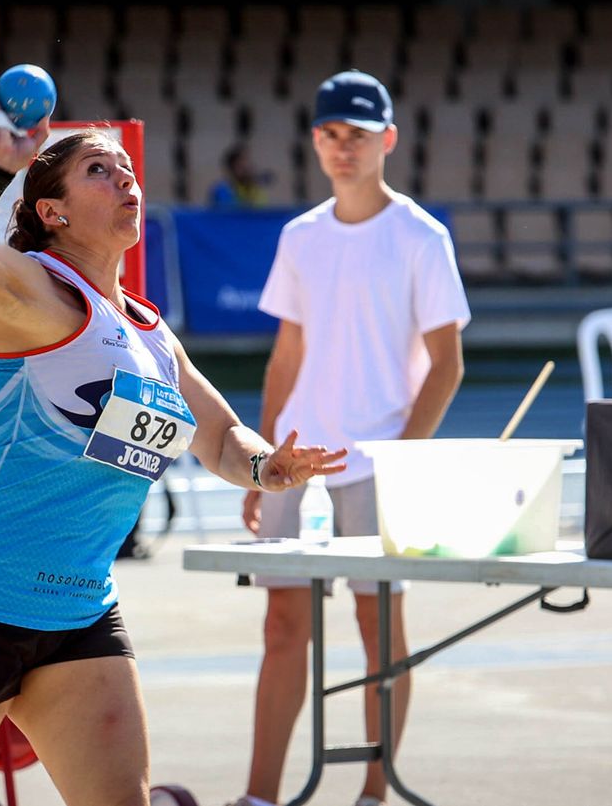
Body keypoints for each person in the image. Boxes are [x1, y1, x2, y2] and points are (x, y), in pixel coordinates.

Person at [0, 83, 346, 806]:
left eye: (127, 166)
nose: (126, 176)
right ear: (52, 210)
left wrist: (266, 466)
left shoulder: (151, 333)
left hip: (77, 611)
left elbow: (219, 437)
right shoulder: (28, 287)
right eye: (99, 169)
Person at [229, 70, 470, 806]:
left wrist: (403, 459)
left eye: (357, 134)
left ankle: (374, 791)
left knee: (377, 625)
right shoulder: (301, 235)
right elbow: (286, 355)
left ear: (387, 139)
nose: (343, 147)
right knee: (281, 626)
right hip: (295, 460)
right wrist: (261, 463)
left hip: (375, 462)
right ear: (315, 141)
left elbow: (447, 365)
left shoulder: (421, 236)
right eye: (330, 134)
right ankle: (261, 795)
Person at [207, 143, 269, 209]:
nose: (246, 167)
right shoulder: (221, 190)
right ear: (231, 168)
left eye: (248, 162)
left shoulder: (256, 190)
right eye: (241, 165)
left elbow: (261, 211)